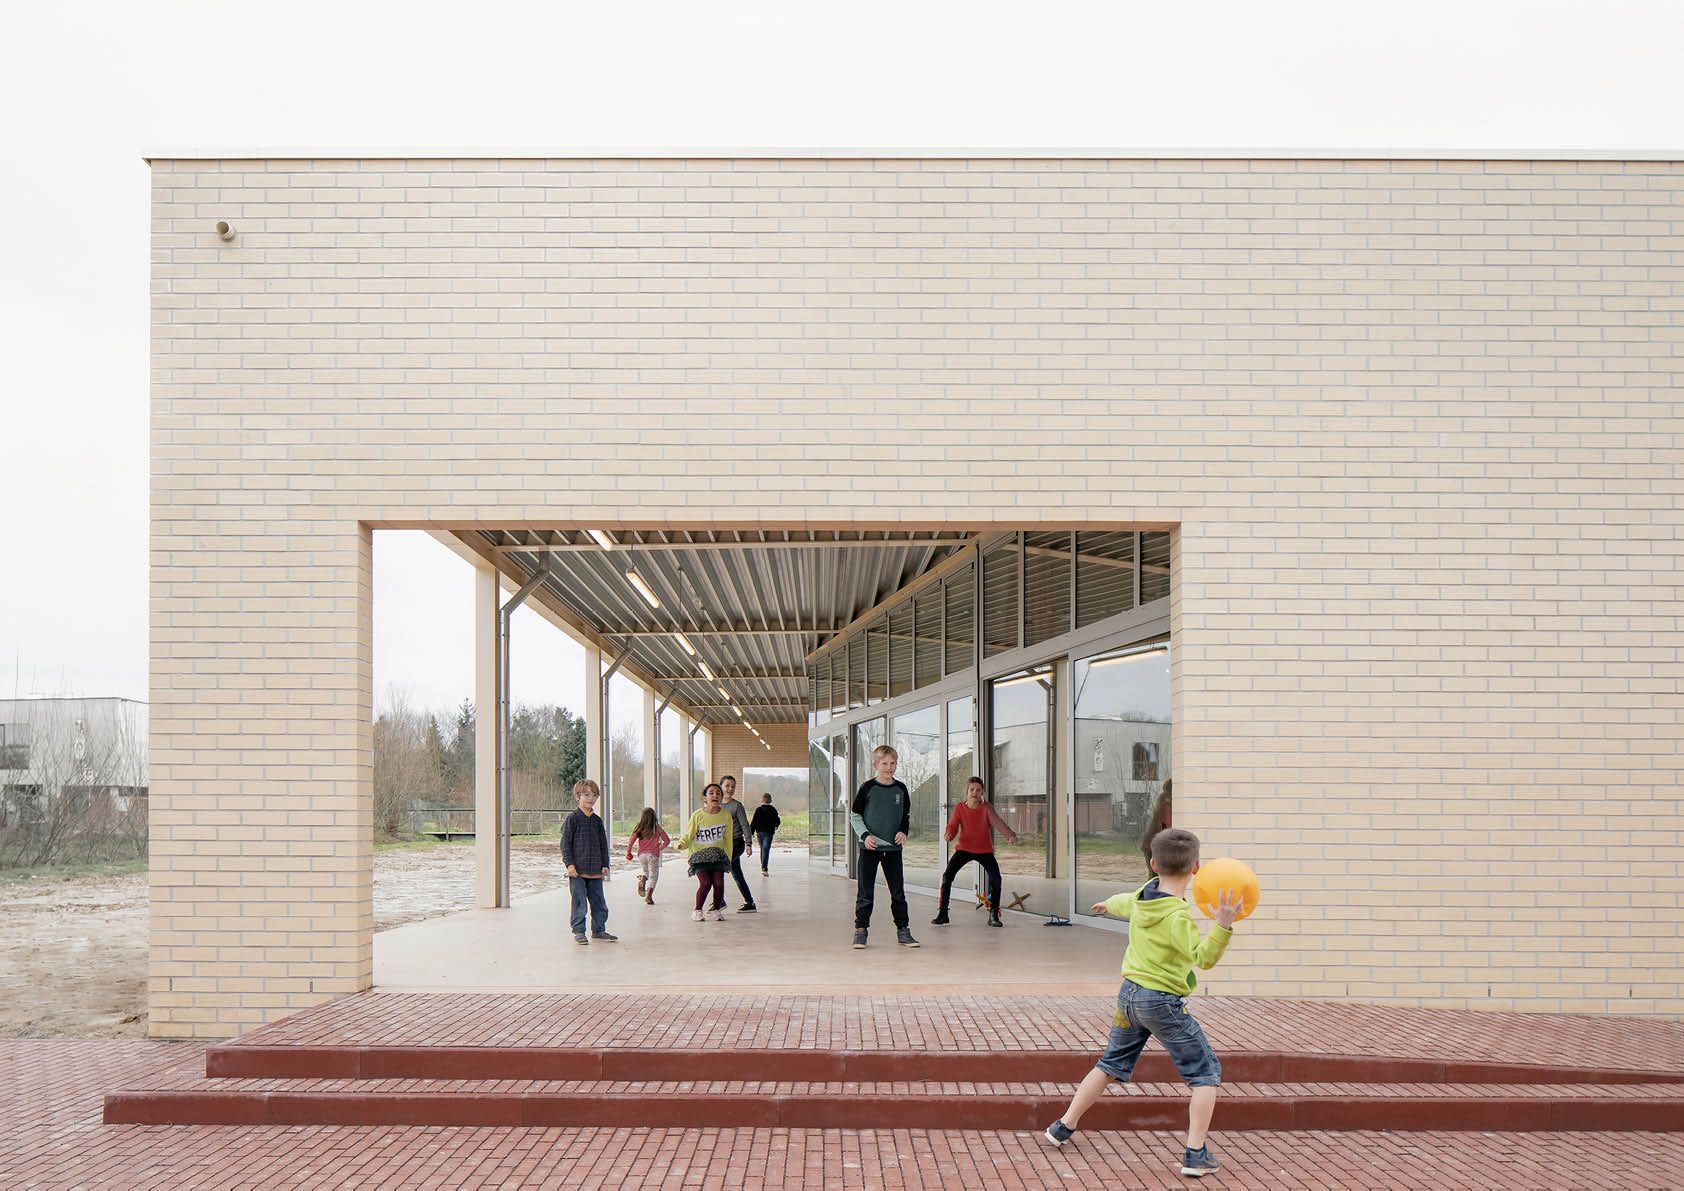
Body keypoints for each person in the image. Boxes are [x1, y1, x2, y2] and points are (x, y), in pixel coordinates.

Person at [1042, 827, 1241, 1179]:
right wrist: (1223, 927)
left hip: (1129, 997)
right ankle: (1196, 1154)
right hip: (1161, 1002)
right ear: (1196, 867)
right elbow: (1203, 958)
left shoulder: (1144, 895)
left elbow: (1125, 901)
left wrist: (1107, 904)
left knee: (1109, 1064)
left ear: (1153, 864)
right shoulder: (1178, 917)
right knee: (1205, 1073)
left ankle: (1063, 1126)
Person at [850, 744, 919, 949]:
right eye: (884, 763)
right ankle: (860, 931)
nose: (889, 767)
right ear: (875, 765)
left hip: (893, 850)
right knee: (865, 893)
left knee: (898, 893)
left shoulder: (901, 789)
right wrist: (865, 835)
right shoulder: (867, 788)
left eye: (892, 763)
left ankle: (903, 931)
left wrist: (903, 831)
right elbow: (855, 815)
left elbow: (905, 816)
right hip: (869, 849)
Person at [931, 777, 1017, 928]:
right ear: (967, 791)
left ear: (982, 792)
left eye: (978, 790)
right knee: (947, 876)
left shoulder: (986, 808)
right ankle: (943, 914)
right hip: (964, 849)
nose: (975, 793)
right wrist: (949, 834)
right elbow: (952, 825)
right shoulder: (959, 808)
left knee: (996, 879)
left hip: (984, 850)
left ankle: (993, 915)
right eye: (972, 790)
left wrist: (1009, 835)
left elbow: (997, 822)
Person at [560, 779, 617, 945]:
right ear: (577, 797)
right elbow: (565, 844)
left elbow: (603, 845)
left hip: (596, 871)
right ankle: (579, 931)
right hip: (577, 872)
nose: (590, 799)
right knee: (579, 903)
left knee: (599, 903)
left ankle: (599, 930)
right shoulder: (572, 819)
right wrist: (570, 865)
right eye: (586, 795)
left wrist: (605, 864)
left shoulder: (597, 821)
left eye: (594, 796)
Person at [675, 782, 735, 922]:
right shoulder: (697, 815)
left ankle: (716, 910)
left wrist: (728, 858)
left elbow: (728, 839)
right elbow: (689, 834)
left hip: (717, 856)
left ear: (721, 798)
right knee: (706, 883)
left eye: (718, 793)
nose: (715, 795)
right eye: (711, 793)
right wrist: (681, 844)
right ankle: (697, 910)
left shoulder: (726, 816)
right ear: (705, 798)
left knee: (719, 883)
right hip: (699, 856)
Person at [719, 775, 758, 913]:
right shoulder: (716, 805)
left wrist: (748, 843)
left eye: (733, 786)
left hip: (736, 843)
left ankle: (719, 901)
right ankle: (750, 903)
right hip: (723, 844)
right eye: (727, 785)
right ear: (721, 787)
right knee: (737, 874)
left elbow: (745, 825)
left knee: (719, 869)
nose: (730, 788)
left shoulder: (736, 806)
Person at [625, 806, 671, 906]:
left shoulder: (639, 828)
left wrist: (628, 852)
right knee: (653, 876)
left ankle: (643, 880)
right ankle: (648, 896)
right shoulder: (656, 828)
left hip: (642, 855)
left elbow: (631, 841)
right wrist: (659, 848)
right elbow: (667, 841)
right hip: (652, 855)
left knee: (646, 871)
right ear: (654, 817)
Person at [1140, 777, 1173, 869]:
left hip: (1152, 846)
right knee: (1159, 875)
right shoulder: (1166, 805)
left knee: (1157, 875)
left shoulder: (1164, 802)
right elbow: (1165, 827)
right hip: (1156, 847)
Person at [749, 793, 781, 874]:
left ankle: (763, 867)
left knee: (763, 849)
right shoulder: (773, 809)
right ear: (770, 800)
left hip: (759, 833)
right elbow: (777, 820)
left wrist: (751, 832)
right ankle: (764, 868)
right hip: (769, 833)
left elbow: (754, 822)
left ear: (762, 800)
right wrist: (776, 826)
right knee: (765, 849)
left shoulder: (758, 809)